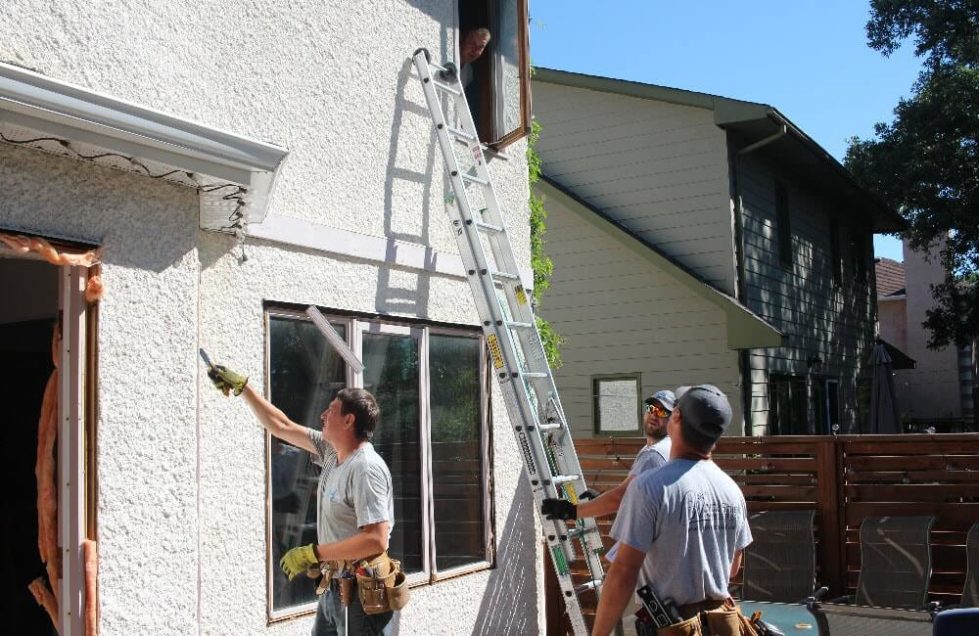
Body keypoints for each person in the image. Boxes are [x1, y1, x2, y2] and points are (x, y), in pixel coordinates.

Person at [208, 363, 396, 636]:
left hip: (361, 596)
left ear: (348, 420)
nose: (322, 414)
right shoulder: (332, 453)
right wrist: (243, 387)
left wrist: (313, 552)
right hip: (333, 587)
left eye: (331, 410)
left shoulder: (365, 467)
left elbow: (376, 539)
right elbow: (281, 425)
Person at [592, 385, 753, 636]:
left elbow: (623, 572)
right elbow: (732, 568)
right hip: (720, 625)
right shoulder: (732, 491)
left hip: (672, 627)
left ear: (675, 417)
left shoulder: (650, 487)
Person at [540, 389, 676, 522]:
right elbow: (634, 491)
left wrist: (572, 511)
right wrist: (601, 497)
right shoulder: (662, 447)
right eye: (651, 408)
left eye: (662, 412)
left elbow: (621, 497)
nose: (654, 415)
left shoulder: (654, 455)